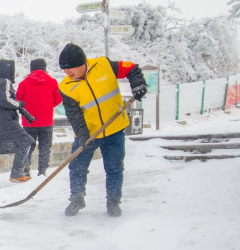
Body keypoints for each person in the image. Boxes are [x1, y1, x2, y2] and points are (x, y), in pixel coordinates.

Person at [57, 43, 146, 217]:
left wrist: (138, 84)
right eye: (63, 69)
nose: (67, 72)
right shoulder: (66, 87)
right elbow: (74, 115)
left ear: (82, 63)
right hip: (88, 133)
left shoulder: (104, 65)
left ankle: (113, 202)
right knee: (77, 168)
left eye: (70, 67)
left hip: (114, 130)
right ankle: (77, 199)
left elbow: (132, 69)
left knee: (114, 169)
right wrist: (83, 136)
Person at [0, 59, 34, 190]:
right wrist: (19, 104)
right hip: (6, 122)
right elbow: (4, 100)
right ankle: (17, 173)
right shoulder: (5, 81)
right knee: (26, 142)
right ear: (9, 70)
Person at [15, 58, 62, 177]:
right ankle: (42, 171)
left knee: (28, 147)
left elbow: (18, 100)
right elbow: (58, 98)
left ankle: (26, 170)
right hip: (46, 121)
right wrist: (47, 106)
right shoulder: (52, 82)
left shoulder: (23, 83)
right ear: (44, 68)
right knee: (45, 148)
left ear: (31, 69)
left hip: (29, 121)